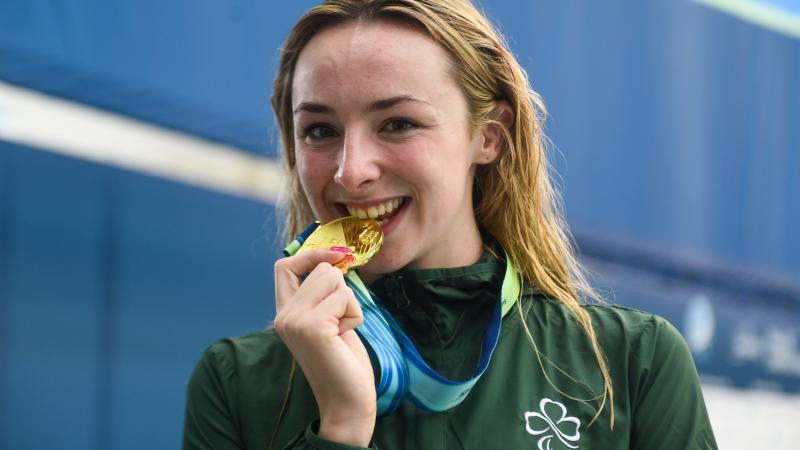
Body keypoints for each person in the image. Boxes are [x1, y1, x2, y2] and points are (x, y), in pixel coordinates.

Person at [182, 1, 718, 449]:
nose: (351, 170)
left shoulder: (629, 363)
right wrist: (341, 427)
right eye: (320, 130)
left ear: (489, 136)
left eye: (397, 123)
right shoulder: (237, 382)